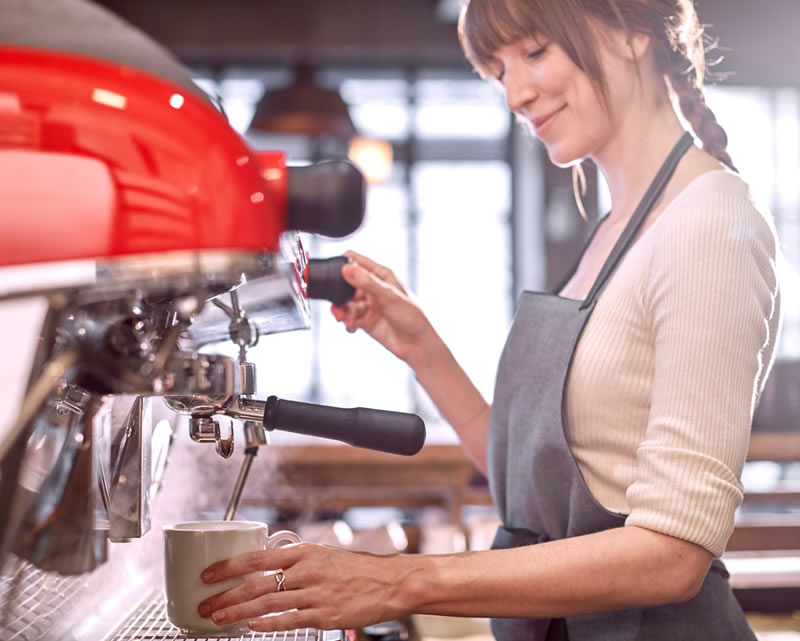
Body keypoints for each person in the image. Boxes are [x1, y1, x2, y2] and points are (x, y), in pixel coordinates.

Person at [196, 0, 782, 638]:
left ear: (633, 31)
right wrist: (422, 349)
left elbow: (672, 555)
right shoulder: (614, 227)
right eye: (499, 71)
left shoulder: (708, 225)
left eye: (535, 53)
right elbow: (535, 486)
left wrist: (396, 580)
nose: (516, 95)